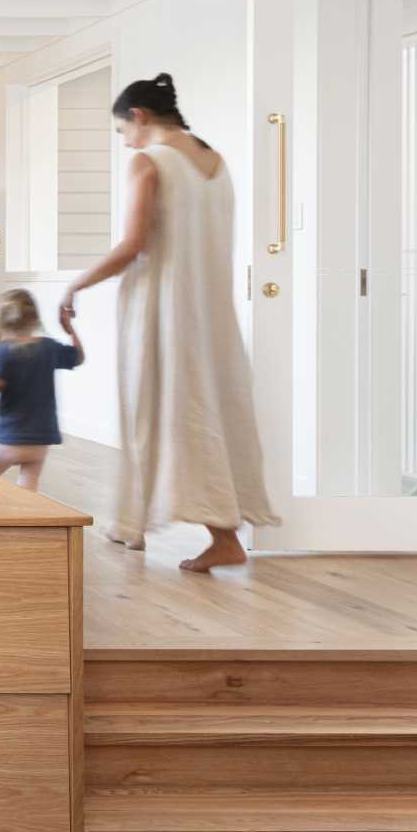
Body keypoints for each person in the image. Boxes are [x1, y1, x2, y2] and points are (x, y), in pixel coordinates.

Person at [60, 72, 277, 572]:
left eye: (121, 132)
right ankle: (132, 523)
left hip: (162, 307)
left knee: (157, 410)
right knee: (206, 410)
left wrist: (77, 285)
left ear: (138, 117)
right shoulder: (214, 162)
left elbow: (132, 246)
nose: (124, 143)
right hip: (211, 311)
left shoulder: (149, 162)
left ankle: (222, 538)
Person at [0, 288, 83, 492]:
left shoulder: (5, 352)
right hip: (40, 441)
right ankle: (26, 520)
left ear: (2, 322)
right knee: (28, 487)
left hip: (8, 440)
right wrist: (69, 328)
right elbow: (78, 357)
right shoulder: (48, 348)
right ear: (35, 318)